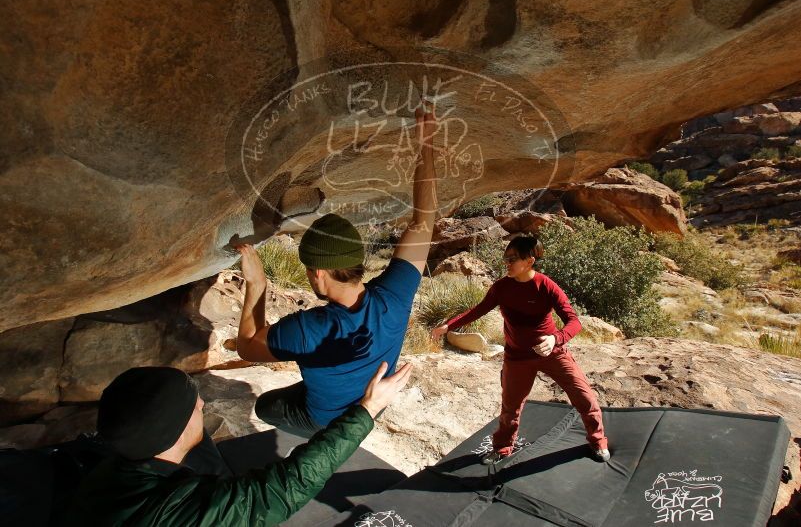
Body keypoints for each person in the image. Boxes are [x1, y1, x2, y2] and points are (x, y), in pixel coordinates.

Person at [235, 104, 438, 437]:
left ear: (317, 273)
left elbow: (247, 346)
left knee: (265, 406)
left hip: (328, 421)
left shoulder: (306, 330)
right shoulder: (396, 295)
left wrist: (257, 284)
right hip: (371, 405)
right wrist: (425, 143)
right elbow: (423, 220)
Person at [63, 362, 412, 525]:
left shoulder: (109, 471)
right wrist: (368, 408)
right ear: (173, 429)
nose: (202, 405)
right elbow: (286, 488)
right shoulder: (179, 512)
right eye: (192, 404)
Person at [431, 235, 610, 464]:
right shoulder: (502, 288)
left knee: (584, 397)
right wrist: (448, 326)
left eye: (512, 258)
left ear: (529, 260)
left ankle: (597, 441)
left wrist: (556, 339)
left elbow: (574, 322)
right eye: (506, 257)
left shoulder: (546, 286)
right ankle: (502, 448)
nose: (506, 262)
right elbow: (478, 310)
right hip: (516, 358)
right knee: (510, 408)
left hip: (552, 354)